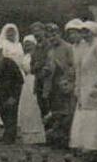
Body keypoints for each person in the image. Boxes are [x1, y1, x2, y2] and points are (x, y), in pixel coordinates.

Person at [69, 21, 97, 160]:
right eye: (82, 32)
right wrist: (78, 86)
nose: (84, 35)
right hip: (85, 85)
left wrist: (96, 85)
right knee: (87, 117)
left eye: (86, 32)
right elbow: (79, 68)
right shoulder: (84, 47)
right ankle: (88, 146)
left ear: (93, 31)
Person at [43, 22, 76, 150]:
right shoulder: (50, 50)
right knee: (56, 113)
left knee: (67, 113)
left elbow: (73, 66)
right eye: (49, 36)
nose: (52, 38)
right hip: (53, 85)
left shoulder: (68, 47)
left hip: (64, 83)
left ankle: (67, 140)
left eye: (54, 35)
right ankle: (57, 139)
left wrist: (67, 80)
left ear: (60, 34)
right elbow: (48, 66)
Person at [0, 47, 24, 144]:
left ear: (2, 56)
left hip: (13, 91)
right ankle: (7, 134)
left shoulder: (10, 64)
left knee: (11, 113)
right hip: (1, 92)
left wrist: (14, 97)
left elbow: (19, 80)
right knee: (3, 112)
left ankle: (10, 137)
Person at [17, 35, 47, 145]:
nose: (27, 46)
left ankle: (38, 134)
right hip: (26, 82)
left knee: (35, 105)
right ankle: (27, 132)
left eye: (29, 43)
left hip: (35, 79)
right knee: (26, 107)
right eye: (25, 44)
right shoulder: (24, 56)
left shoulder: (37, 55)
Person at [0, 23, 24, 128]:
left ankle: (16, 126)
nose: (11, 34)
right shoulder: (2, 44)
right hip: (6, 75)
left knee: (16, 100)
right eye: (9, 32)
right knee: (5, 102)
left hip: (18, 73)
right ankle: (5, 126)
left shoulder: (19, 45)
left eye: (13, 31)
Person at [28, 22, 50, 116]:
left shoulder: (49, 45)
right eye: (34, 31)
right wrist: (35, 67)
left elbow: (50, 61)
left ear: (44, 31)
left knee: (50, 109)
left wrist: (40, 65)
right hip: (39, 82)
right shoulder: (35, 48)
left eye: (38, 30)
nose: (36, 33)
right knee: (43, 110)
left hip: (49, 82)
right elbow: (31, 68)